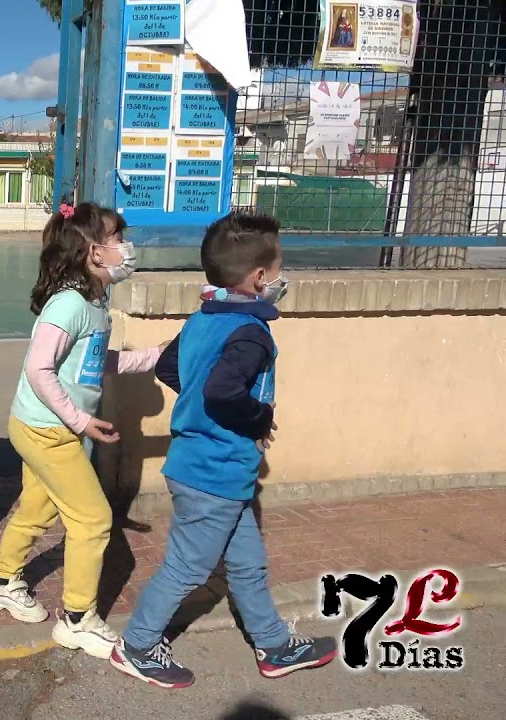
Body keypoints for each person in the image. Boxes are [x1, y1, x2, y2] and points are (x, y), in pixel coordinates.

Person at [110, 212, 336, 688]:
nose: (280, 279)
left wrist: (200, 400)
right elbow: (221, 393)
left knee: (247, 563)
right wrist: (259, 418)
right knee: (187, 566)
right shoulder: (250, 333)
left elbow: (171, 369)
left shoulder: (202, 321)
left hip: (219, 473)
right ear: (258, 278)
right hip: (211, 474)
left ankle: (273, 645)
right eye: (277, 270)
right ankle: (137, 644)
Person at [0, 202, 157, 658]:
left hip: (51, 428)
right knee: (94, 520)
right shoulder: (69, 304)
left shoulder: (95, 302)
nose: (126, 247)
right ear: (94, 251)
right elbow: (40, 369)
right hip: (45, 430)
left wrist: (156, 356)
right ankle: (78, 619)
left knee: (37, 507)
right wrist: (80, 421)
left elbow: (93, 366)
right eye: (118, 238)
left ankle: (1, 580)